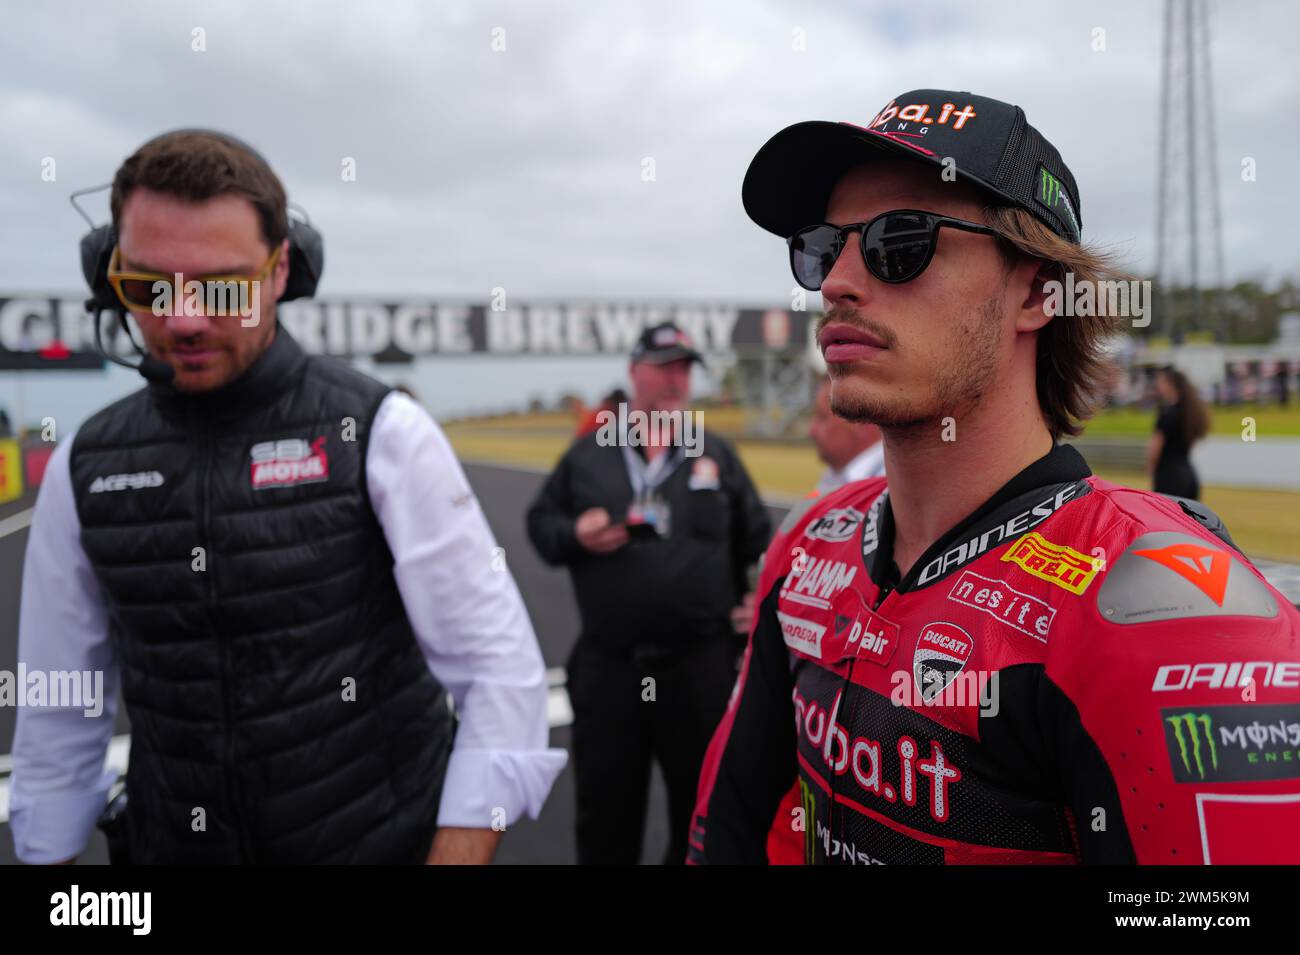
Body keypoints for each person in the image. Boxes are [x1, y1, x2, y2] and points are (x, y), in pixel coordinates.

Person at [689, 89, 1300, 865]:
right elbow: (727, 834)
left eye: (897, 240)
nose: (837, 281)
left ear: (1040, 292)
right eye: (820, 245)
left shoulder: (1172, 611)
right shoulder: (811, 543)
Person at [10, 130, 564, 865]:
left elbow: (500, 675)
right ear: (108, 274)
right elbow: (57, 705)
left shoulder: (382, 432)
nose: (184, 320)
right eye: (148, 286)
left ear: (280, 271)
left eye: (223, 287)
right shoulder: (84, 464)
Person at [526, 322, 771, 864]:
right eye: (664, 366)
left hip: (700, 670)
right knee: (607, 818)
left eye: (684, 368)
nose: (675, 379)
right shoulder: (589, 454)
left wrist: (755, 600)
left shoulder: (717, 455)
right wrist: (575, 534)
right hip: (611, 670)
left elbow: (758, 543)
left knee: (702, 816)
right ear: (634, 371)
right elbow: (541, 526)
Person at [810, 375, 885, 493]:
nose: (811, 431)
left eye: (823, 418)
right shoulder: (835, 477)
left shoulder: (888, 491)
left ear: (862, 421)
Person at [1148, 366, 1208, 500]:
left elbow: (1154, 449)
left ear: (1170, 384)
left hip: (1169, 476)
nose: (1159, 386)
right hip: (1188, 475)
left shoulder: (1167, 414)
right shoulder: (1189, 413)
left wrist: (1151, 470)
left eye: (1161, 382)